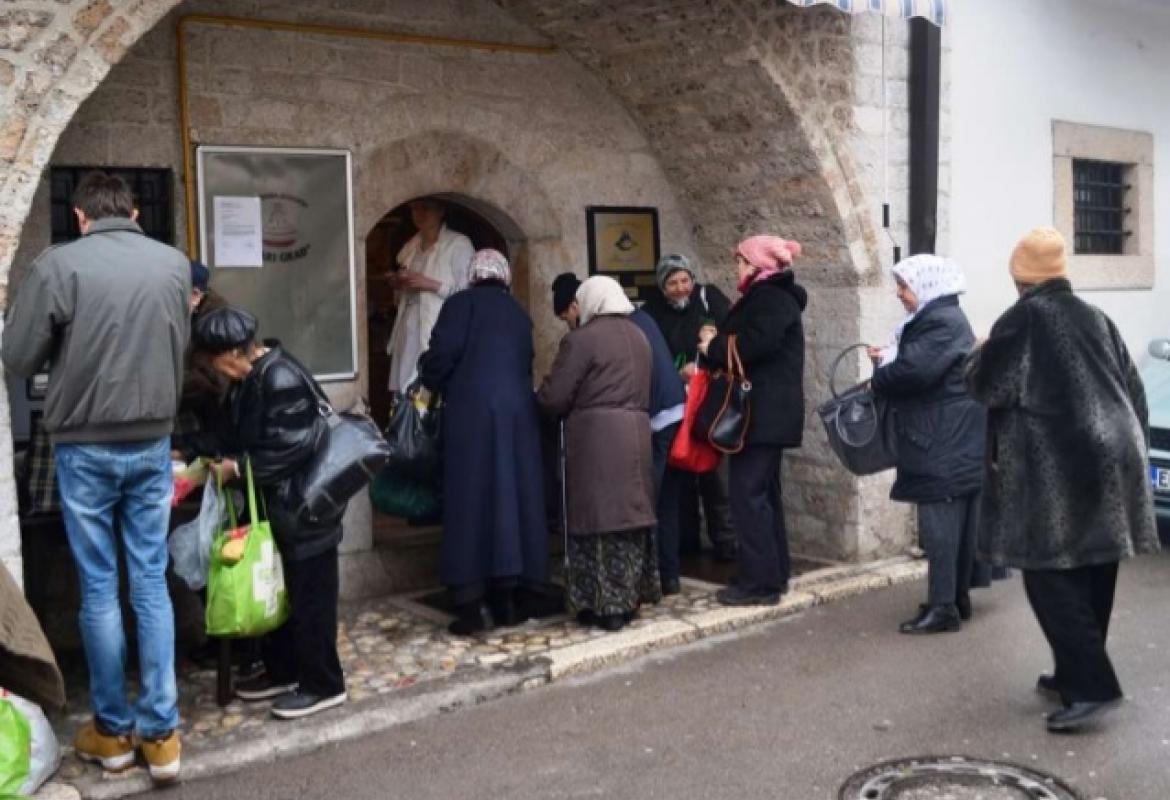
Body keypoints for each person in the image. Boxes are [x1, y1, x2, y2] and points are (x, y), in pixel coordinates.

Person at [2, 171, 189, 783]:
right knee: (151, 581)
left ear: (81, 216)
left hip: (84, 446)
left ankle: (111, 732)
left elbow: (17, 357)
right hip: (153, 439)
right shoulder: (172, 264)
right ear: (133, 211)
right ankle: (162, 738)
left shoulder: (61, 265)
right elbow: (176, 346)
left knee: (100, 586)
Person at [966, 227, 1159, 732]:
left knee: (1048, 571)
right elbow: (1132, 388)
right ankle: (1074, 669)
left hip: (1062, 463)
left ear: (1020, 278)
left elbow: (987, 386)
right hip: (1117, 453)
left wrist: (980, 348)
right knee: (1095, 564)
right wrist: (1125, 445)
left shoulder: (1022, 320)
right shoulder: (1097, 317)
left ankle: (1093, 686)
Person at [192, 307, 348, 720]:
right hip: (280, 510)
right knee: (280, 592)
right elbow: (233, 434)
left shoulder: (280, 378)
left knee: (312, 600)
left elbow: (286, 449)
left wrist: (237, 468)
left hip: (307, 510)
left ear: (231, 353)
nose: (217, 371)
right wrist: (194, 451)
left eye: (216, 361)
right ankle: (282, 671)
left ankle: (324, 683)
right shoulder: (252, 379)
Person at [417, 250, 549, 635]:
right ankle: (509, 598)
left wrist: (430, 377)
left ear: (474, 275)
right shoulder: (519, 314)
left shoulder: (461, 305)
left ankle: (471, 602)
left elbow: (441, 357)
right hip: (517, 420)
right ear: (504, 277)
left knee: (471, 502)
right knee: (512, 500)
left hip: (472, 419)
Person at [867, 255, 986, 634]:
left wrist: (880, 375)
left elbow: (913, 371)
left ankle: (943, 608)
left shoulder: (939, 321)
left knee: (940, 527)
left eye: (904, 286)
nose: (900, 294)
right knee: (955, 525)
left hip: (941, 438)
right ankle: (955, 599)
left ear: (928, 286)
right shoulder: (945, 317)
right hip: (952, 434)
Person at [549, 272, 686, 596]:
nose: (573, 319)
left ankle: (644, 579)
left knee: (641, 502)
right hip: (668, 415)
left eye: (573, 311)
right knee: (662, 501)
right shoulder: (640, 323)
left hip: (653, 420)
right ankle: (667, 576)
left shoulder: (606, 333)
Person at [538, 276, 661, 630]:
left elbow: (555, 396)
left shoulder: (582, 340)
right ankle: (630, 598)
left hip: (597, 442)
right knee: (630, 518)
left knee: (600, 522)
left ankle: (605, 606)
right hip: (636, 436)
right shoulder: (639, 336)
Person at [699, 235, 806, 607]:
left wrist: (712, 347)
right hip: (764, 416)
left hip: (761, 416)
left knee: (749, 495)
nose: (737, 268)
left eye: (741, 261)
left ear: (758, 266)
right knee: (762, 495)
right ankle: (771, 573)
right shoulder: (769, 298)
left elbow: (753, 345)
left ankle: (760, 583)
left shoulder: (770, 299)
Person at [642, 254, 738, 562]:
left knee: (715, 472)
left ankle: (726, 542)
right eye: (672, 283)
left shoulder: (710, 300)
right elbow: (650, 357)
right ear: (662, 287)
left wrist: (710, 350)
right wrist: (674, 371)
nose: (681, 288)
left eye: (685, 280)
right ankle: (686, 542)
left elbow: (733, 340)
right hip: (674, 403)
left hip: (711, 399)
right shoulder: (652, 313)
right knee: (679, 470)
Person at [385, 198, 474, 391]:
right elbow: (400, 298)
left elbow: (469, 297)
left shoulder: (458, 244)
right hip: (409, 326)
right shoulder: (411, 246)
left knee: (431, 388)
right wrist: (398, 284)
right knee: (406, 389)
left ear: (441, 210)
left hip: (439, 327)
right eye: (415, 208)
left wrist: (430, 284)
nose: (419, 213)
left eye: (426, 207)